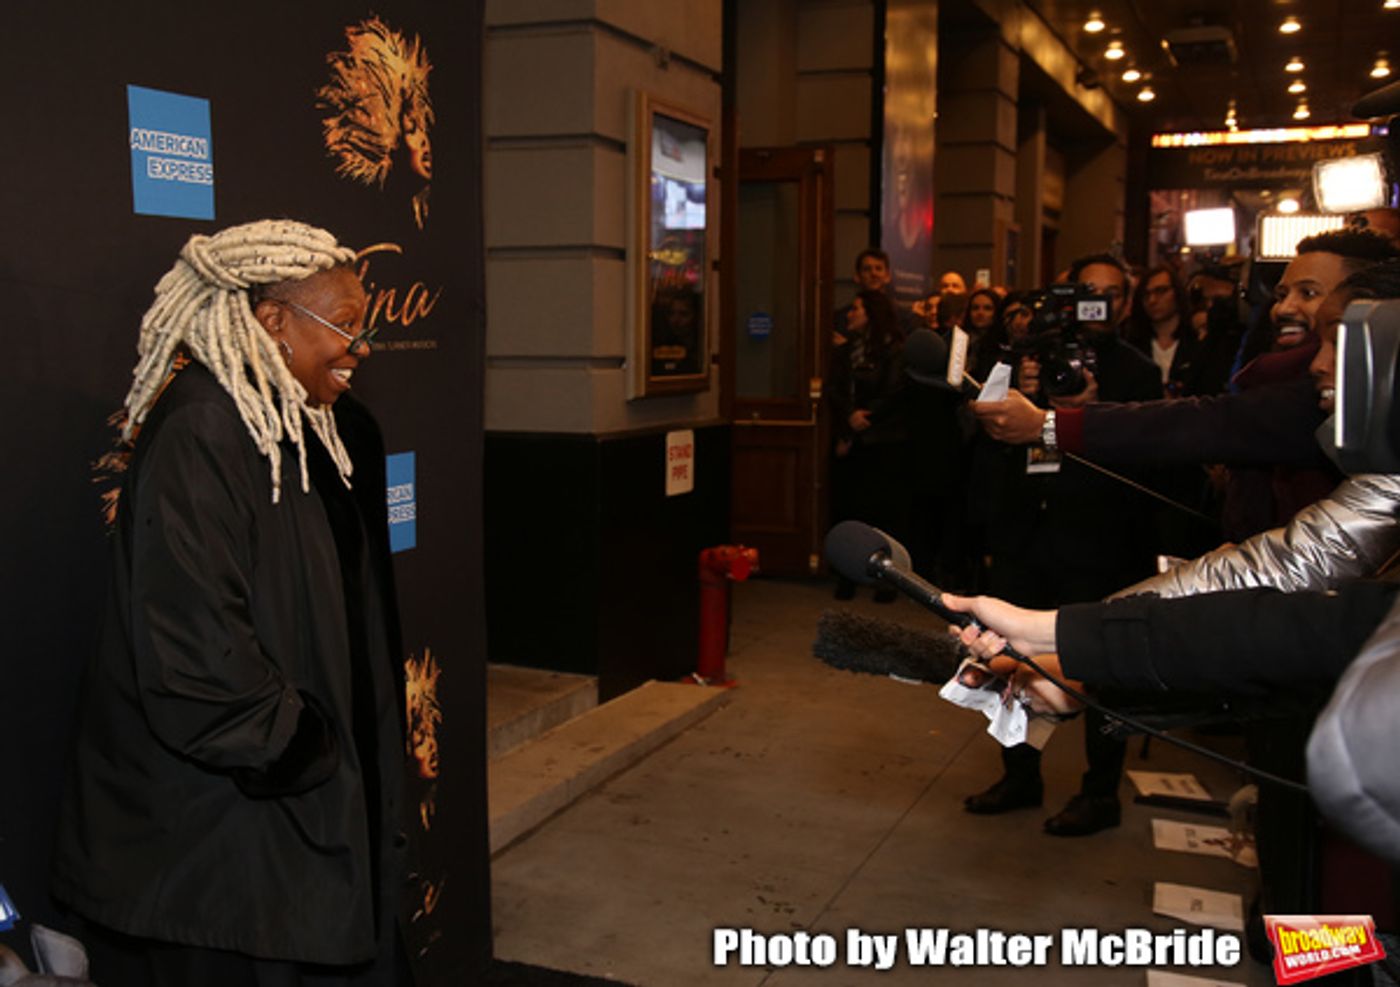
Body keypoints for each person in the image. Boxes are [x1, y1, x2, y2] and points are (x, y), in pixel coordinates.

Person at [51, 220, 411, 986]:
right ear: (272, 319)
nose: (361, 346)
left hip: (288, 827)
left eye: (363, 323)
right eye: (342, 325)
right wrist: (306, 748)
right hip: (221, 839)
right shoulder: (204, 429)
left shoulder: (317, 426)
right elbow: (194, 656)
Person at [964, 252, 1162, 833]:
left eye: (1110, 294)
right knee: (1010, 661)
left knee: (1103, 670)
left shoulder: (1136, 372)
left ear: (1125, 304)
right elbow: (988, 444)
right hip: (1027, 537)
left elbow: (1151, 462)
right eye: (1086, 293)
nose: (1097, 305)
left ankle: (1100, 793)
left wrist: (1090, 414)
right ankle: (1019, 774)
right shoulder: (1032, 360)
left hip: (1099, 542)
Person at [827, 290, 910, 601]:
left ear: (872, 314)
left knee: (885, 513)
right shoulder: (844, 352)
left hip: (885, 441)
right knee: (851, 510)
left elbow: (896, 392)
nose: (850, 314)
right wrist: (848, 419)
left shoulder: (894, 351)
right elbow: (835, 389)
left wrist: (868, 417)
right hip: (853, 441)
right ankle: (847, 575)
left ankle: (889, 579)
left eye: (856, 309)